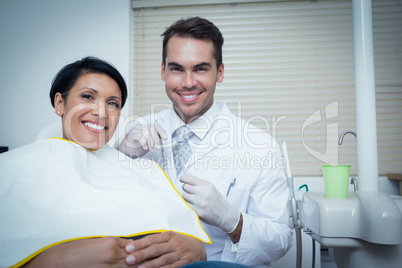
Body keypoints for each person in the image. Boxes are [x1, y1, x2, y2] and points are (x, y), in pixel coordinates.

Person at [0, 57, 208, 268]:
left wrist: (196, 250)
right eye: (88, 96)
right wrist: (52, 261)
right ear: (59, 103)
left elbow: (180, 230)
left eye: (112, 104)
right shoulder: (15, 166)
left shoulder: (136, 168)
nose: (101, 112)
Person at [119, 17, 292, 267]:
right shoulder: (134, 134)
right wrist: (119, 157)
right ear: (162, 71)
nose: (188, 82)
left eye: (200, 69)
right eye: (177, 69)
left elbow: (281, 241)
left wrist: (232, 221)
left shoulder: (260, 145)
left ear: (219, 72)